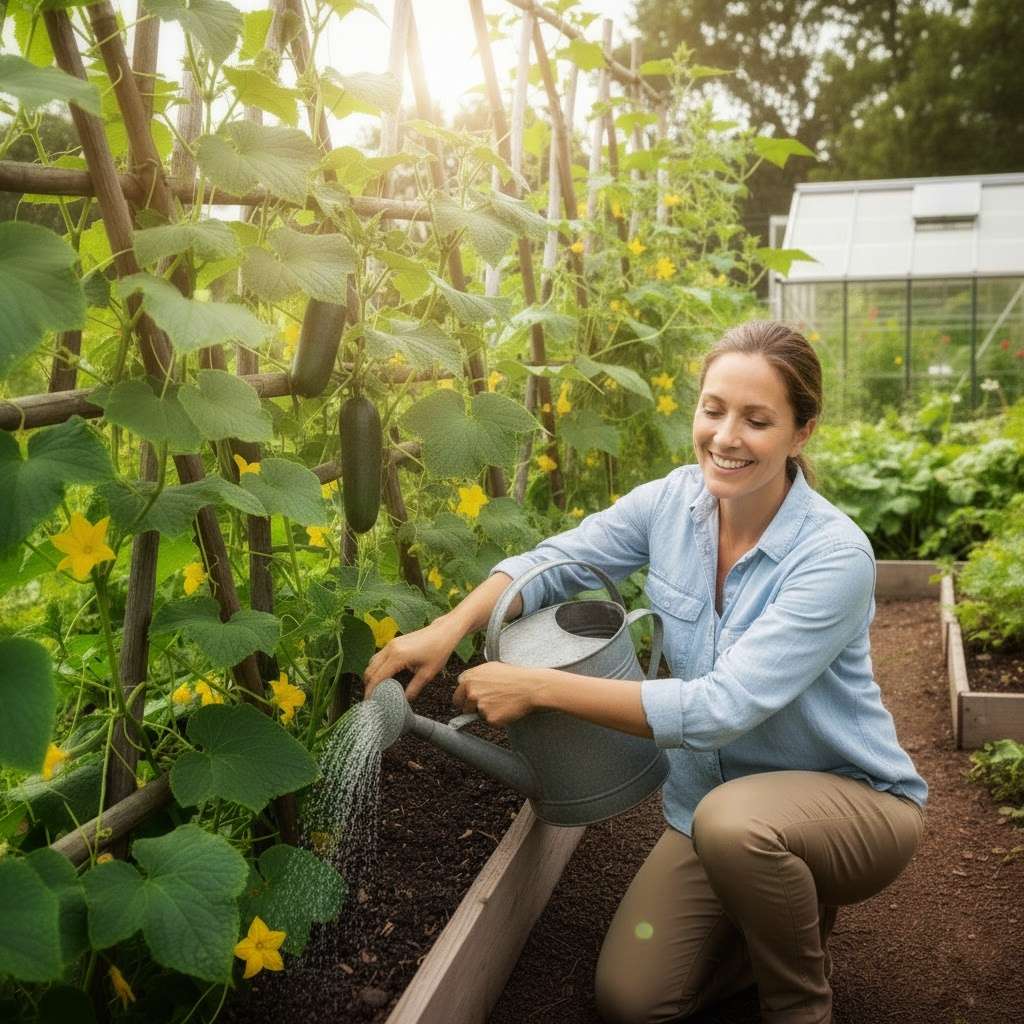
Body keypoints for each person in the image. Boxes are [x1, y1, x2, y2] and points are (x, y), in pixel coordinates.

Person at [363, 320, 928, 1024]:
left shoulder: (832, 557)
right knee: (631, 998)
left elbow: (719, 708)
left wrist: (536, 684)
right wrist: (448, 627)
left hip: (853, 807)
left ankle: (799, 1003)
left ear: (801, 432)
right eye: (713, 409)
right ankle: (773, 923)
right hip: (712, 813)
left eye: (757, 420)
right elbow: (555, 558)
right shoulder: (672, 503)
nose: (725, 437)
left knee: (737, 827)